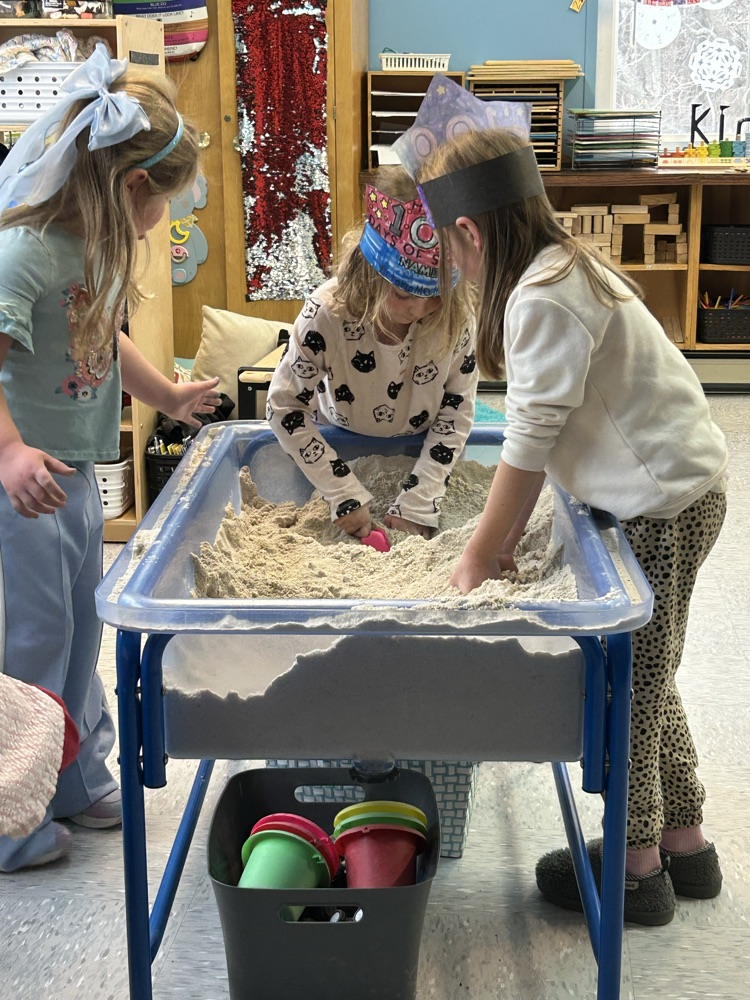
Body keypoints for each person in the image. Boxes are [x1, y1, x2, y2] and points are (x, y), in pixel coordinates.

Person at [398, 75, 728, 925]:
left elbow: (530, 443)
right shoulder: (568, 264)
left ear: (469, 230)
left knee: (623, 689)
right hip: (678, 492)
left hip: (660, 510)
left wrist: (480, 551)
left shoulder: (543, 296)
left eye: (451, 247)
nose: (455, 264)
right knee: (654, 677)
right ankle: (686, 842)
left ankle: (636, 866)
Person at [0, 45, 221, 872]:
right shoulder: (21, 252)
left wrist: (165, 395)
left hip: (76, 476)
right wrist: (11, 451)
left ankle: (75, 778)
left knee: (80, 630)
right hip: (23, 485)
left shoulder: (86, 248)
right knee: (29, 643)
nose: (162, 215)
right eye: (166, 199)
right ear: (134, 185)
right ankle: (8, 815)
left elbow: (103, 337)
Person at [266, 166, 477, 540]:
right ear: (368, 274)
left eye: (436, 297)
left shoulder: (456, 316)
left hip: (420, 447)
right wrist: (341, 492)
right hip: (338, 441)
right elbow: (284, 407)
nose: (420, 309)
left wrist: (421, 498)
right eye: (404, 295)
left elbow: (457, 409)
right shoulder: (327, 313)